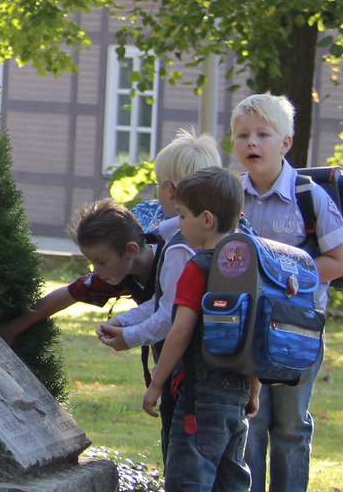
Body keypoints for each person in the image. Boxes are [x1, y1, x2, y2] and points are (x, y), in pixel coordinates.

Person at [231, 94, 343, 492]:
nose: (252, 142)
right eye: (243, 135)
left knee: (290, 425)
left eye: (263, 134)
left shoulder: (309, 196)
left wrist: (291, 275)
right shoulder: (230, 197)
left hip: (295, 332)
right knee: (251, 422)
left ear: (284, 144)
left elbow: (339, 261)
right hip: (246, 330)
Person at [98, 130, 224, 457]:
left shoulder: (183, 248)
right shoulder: (231, 238)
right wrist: (126, 321)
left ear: (170, 191)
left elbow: (171, 316)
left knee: (184, 458)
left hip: (190, 374)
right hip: (226, 371)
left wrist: (132, 338)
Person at [142, 167, 260, 492]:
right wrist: (254, 390)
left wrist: (155, 385)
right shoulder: (252, 269)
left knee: (187, 481)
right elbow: (254, 335)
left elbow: (179, 332)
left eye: (182, 216)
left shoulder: (197, 268)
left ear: (206, 220)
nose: (179, 225)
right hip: (237, 397)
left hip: (199, 399)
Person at [0, 200, 160, 342]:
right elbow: (69, 293)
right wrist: (12, 329)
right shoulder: (120, 269)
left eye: (101, 262)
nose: (96, 271)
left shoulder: (174, 263)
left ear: (131, 251)